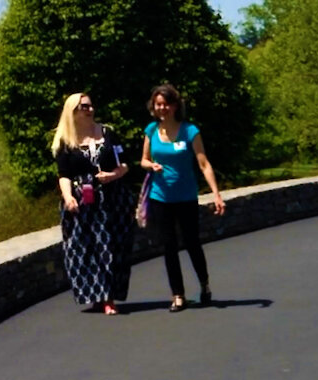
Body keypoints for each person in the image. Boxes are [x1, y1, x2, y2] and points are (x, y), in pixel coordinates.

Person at [139, 84, 226, 313]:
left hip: (185, 197)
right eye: (158, 104)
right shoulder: (151, 130)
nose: (162, 108)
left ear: (175, 105)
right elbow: (143, 160)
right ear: (153, 106)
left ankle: (204, 284)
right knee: (168, 246)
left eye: (166, 104)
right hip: (160, 197)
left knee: (192, 243)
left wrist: (216, 194)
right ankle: (178, 295)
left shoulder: (189, 131)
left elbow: (203, 163)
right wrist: (152, 165)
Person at [52, 93, 133, 315]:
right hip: (83, 199)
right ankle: (98, 296)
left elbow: (124, 164)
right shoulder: (65, 141)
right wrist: (68, 197)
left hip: (113, 198)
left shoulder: (108, 133)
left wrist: (113, 175)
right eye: (83, 107)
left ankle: (109, 297)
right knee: (86, 248)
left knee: (112, 245)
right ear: (73, 111)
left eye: (89, 106)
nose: (88, 109)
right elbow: (64, 174)